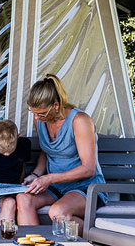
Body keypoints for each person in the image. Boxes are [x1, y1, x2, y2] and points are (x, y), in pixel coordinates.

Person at [16, 74, 107, 234]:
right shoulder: (41, 121)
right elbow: (47, 150)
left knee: (57, 213)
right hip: (56, 187)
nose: (36, 117)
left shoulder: (79, 121)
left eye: (41, 113)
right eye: (33, 112)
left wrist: (49, 178)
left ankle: (101, 237)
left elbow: (88, 169)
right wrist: (36, 175)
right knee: (23, 199)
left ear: (56, 105)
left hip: (85, 188)